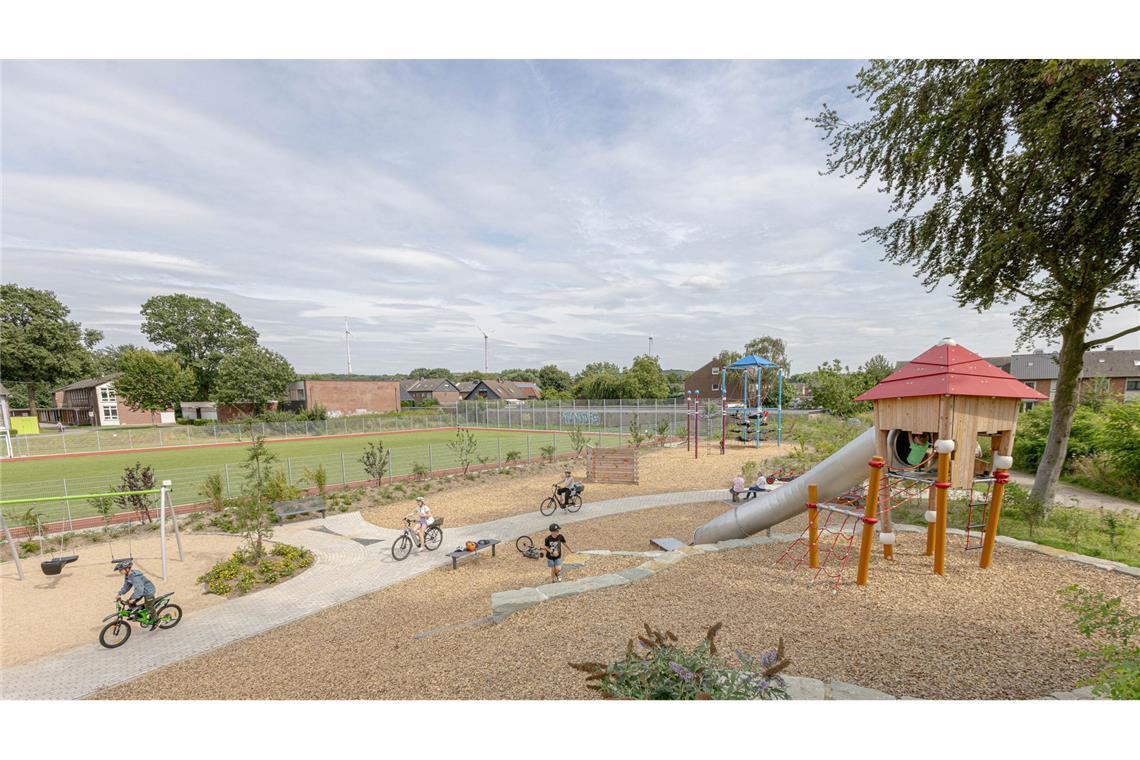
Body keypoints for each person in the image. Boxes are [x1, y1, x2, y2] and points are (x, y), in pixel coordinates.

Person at [113, 559, 158, 627]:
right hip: (140, 592)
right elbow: (127, 586)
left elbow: (139, 589)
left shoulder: (135, 577)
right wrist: (120, 593)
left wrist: (134, 598)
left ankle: (156, 620)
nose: (120, 571)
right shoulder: (128, 576)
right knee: (129, 602)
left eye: (121, 570)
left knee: (149, 606)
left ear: (127, 568)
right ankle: (137, 615)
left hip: (148, 591)